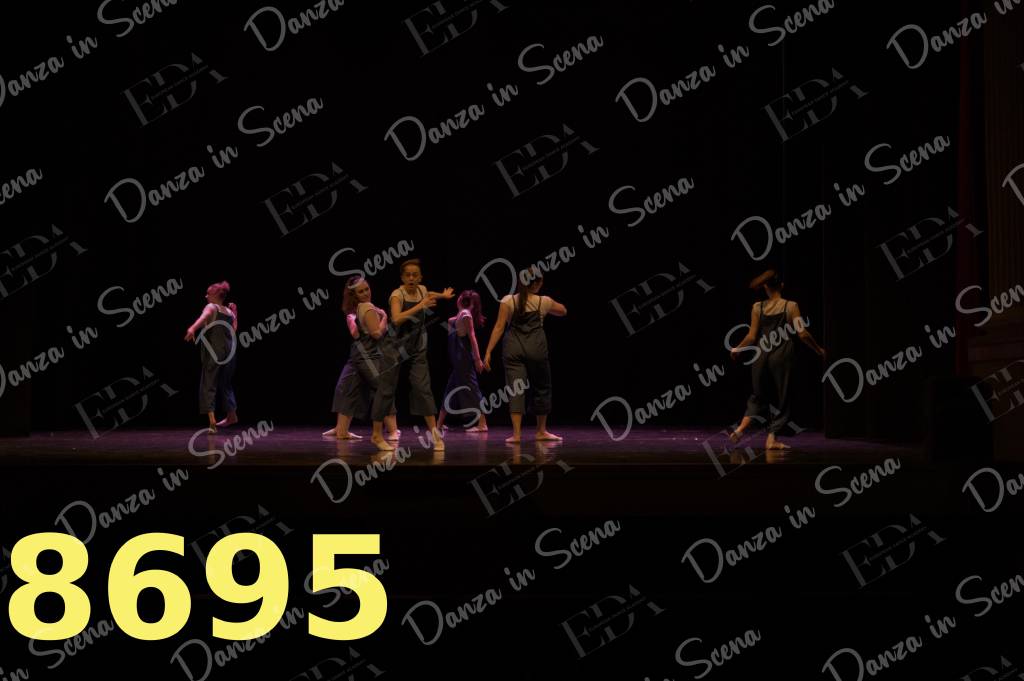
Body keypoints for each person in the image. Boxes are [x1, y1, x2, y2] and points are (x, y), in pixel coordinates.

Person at [728, 270, 825, 449]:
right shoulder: (791, 306)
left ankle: (740, 430)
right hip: (782, 356)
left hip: (761, 356)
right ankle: (771, 439)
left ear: (765, 287)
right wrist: (819, 350)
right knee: (783, 398)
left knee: (758, 396)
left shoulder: (757, 307)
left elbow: (751, 336)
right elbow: (802, 334)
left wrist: (737, 349)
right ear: (781, 285)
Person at [377, 259, 453, 450]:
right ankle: (376, 435)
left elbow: (430, 293)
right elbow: (396, 319)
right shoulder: (397, 295)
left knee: (423, 387)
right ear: (402, 278)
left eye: (415, 275)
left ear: (420, 278)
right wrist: (421, 305)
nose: (411, 278)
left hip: (417, 345)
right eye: (407, 275)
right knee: (386, 390)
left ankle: (435, 435)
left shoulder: (422, 290)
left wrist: (443, 295)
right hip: (394, 345)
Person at [483, 273, 567, 444]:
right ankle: (541, 431)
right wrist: (549, 308)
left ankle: (516, 435)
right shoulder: (543, 301)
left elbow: (499, 327)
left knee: (515, 390)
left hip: (513, 348)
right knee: (542, 387)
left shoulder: (508, 301)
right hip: (536, 349)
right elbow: (563, 311)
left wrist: (488, 351)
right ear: (537, 284)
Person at [322, 276, 399, 441]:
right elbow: (368, 334)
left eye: (367, 289)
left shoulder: (368, 308)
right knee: (350, 387)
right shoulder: (362, 309)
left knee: (365, 387)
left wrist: (380, 319)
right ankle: (341, 429)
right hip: (363, 354)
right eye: (361, 291)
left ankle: (392, 430)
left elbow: (369, 334)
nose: (365, 293)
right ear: (354, 295)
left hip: (364, 353)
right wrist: (384, 318)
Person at [184, 281, 238, 433]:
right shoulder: (229, 311)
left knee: (208, 382)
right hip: (230, 351)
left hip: (215, 350)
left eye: (208, 293)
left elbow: (204, 317)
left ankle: (212, 422)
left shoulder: (211, 307)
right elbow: (233, 329)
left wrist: (192, 328)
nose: (206, 296)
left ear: (215, 295)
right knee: (225, 383)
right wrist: (236, 313)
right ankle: (232, 415)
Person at [438, 290, 487, 432]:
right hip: (458, 360)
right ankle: (439, 424)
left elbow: (472, 338)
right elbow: (452, 322)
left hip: (463, 359)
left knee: (473, 389)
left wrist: (477, 359)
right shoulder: (462, 315)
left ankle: (482, 424)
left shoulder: (465, 314)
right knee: (450, 389)